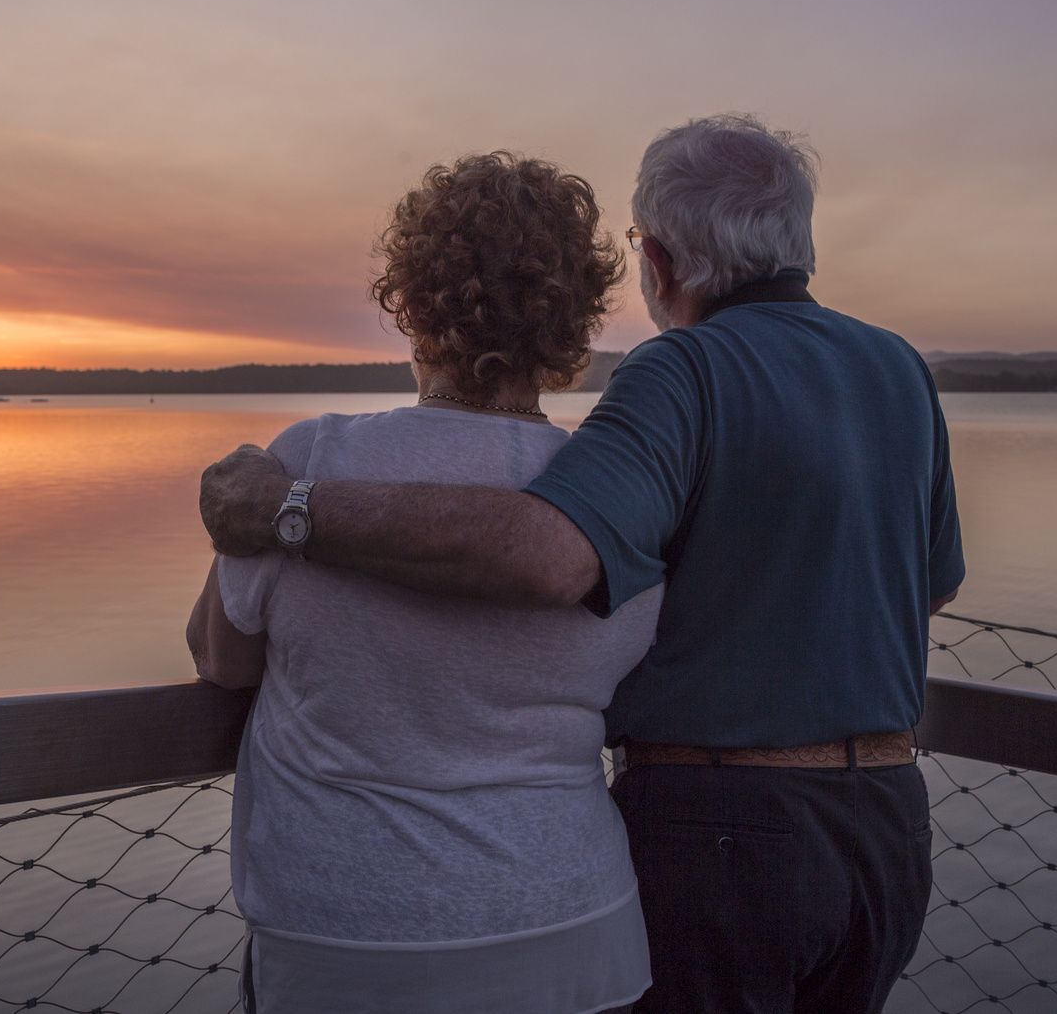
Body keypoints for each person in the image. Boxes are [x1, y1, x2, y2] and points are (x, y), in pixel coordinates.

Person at [200, 115, 966, 1014]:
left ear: (662, 260)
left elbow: (552, 555)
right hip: (881, 829)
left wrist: (287, 505)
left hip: (719, 840)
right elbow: (936, 579)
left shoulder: (680, 370)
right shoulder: (898, 368)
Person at [185, 152, 664, 1014]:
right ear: (574, 318)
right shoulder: (610, 492)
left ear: (411, 297)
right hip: (576, 929)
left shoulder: (310, 459)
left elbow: (220, 660)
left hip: (349, 935)